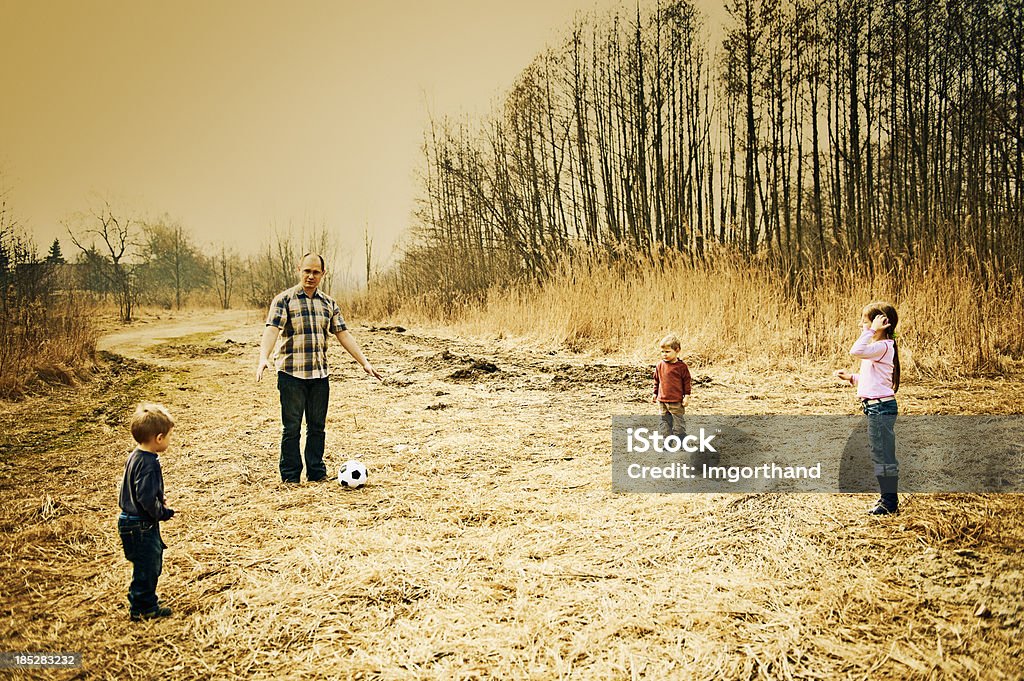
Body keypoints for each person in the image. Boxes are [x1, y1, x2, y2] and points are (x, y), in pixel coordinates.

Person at [256, 252, 382, 483]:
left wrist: (364, 362)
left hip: (319, 375)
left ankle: (316, 473)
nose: (310, 276)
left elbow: (343, 334)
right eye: (307, 271)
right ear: (299, 270)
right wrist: (263, 357)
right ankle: (291, 477)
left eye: (316, 272)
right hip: (291, 375)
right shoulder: (284, 300)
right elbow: (272, 329)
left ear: (323, 274)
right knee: (291, 428)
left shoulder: (328, 303)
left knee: (317, 428)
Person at [834, 301, 902, 515]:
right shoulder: (878, 348)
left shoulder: (882, 346)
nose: (862, 326)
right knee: (880, 453)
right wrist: (852, 378)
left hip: (880, 409)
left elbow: (856, 350)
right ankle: (887, 500)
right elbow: (874, 378)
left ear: (882, 323)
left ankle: (889, 503)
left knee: (883, 455)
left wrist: (872, 329)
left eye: (865, 322)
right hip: (876, 407)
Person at [117, 402, 176, 621]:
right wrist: (162, 511)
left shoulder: (135, 456)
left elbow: (133, 489)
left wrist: (156, 498)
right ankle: (143, 607)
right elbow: (145, 497)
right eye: (169, 436)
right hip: (141, 525)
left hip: (129, 521)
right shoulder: (150, 463)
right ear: (159, 438)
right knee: (149, 565)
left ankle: (143, 600)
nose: (170, 440)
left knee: (144, 564)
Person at [653, 333, 692, 438]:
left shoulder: (681, 367)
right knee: (665, 423)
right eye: (662, 352)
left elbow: (687, 382)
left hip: (676, 401)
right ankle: (667, 442)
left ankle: (681, 441)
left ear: (677, 350)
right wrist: (655, 393)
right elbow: (657, 380)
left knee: (678, 424)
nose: (664, 354)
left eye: (667, 352)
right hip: (662, 401)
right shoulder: (660, 365)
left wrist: (687, 396)